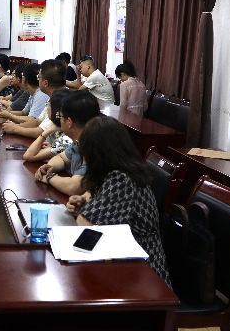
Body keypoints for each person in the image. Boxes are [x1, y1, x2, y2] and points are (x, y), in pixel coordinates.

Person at [65, 115, 171, 285]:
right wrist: (86, 202)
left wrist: (86, 211)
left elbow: (86, 224)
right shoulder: (123, 169)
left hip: (144, 273)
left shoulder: (121, 179)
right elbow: (100, 202)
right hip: (125, 261)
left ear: (97, 154)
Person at [34, 90, 100, 195]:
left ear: (69, 122)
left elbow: (74, 187)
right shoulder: (80, 140)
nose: (59, 120)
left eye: (61, 116)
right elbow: (62, 157)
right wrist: (49, 168)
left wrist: (49, 177)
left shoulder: (94, 146)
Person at [1, 59, 66, 138]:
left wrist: (15, 129)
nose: (37, 80)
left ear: (46, 83)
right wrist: (13, 126)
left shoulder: (60, 100)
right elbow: (37, 122)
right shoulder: (53, 97)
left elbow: (40, 132)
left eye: (39, 77)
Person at [23, 89, 73, 163]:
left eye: (48, 105)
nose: (47, 108)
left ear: (56, 111)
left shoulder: (66, 139)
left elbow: (28, 156)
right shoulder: (62, 130)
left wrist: (46, 132)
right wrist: (52, 147)